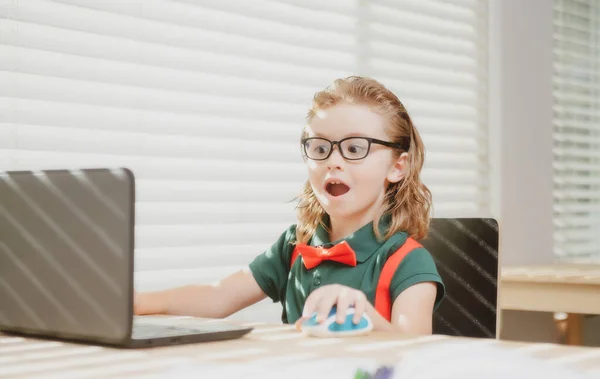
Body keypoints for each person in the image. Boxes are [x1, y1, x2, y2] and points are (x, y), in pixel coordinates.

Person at [135, 76, 445, 334]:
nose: (333, 161)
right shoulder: (295, 245)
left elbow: (414, 353)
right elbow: (217, 296)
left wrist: (364, 315)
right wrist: (136, 302)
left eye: (354, 148)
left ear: (397, 166)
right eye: (320, 147)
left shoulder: (409, 262)